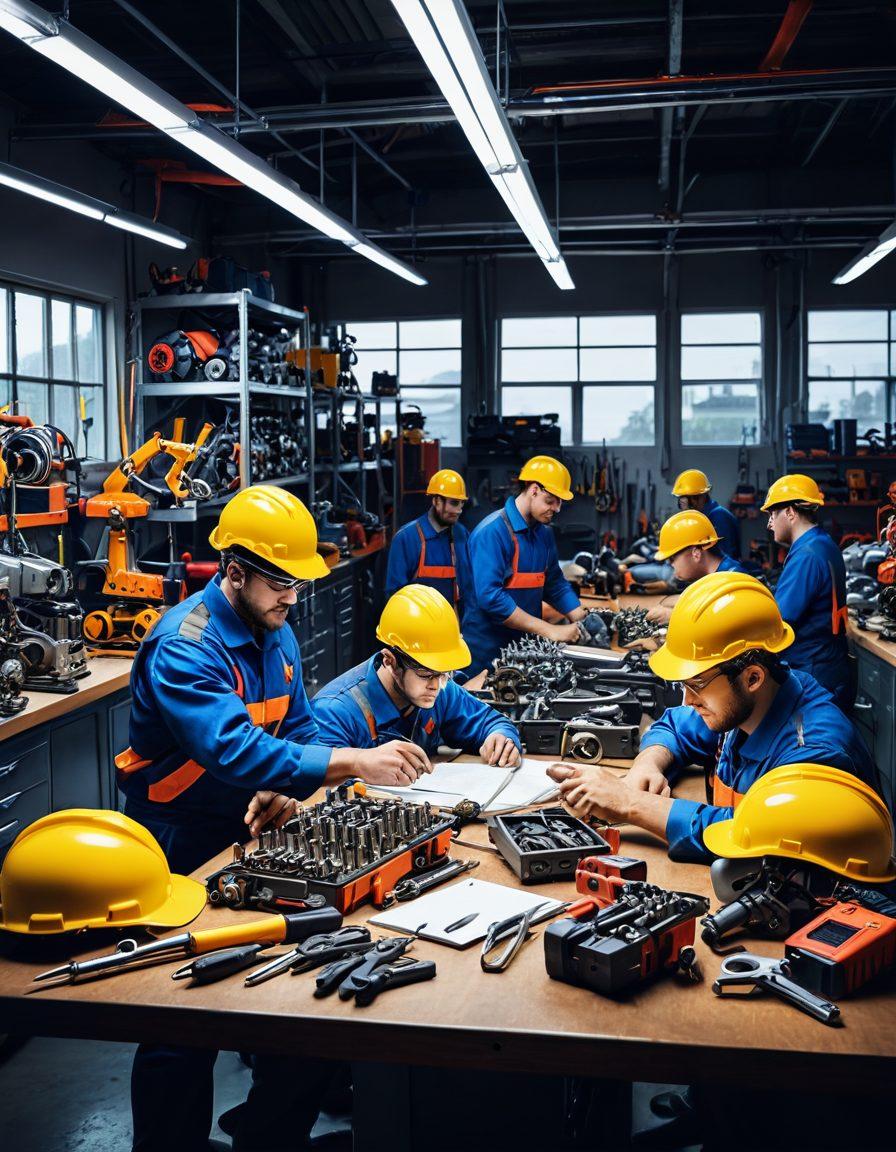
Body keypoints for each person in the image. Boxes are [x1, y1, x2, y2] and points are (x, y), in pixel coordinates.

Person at [117, 485, 430, 1152]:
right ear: (234, 573)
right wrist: (353, 763)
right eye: (280, 581)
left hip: (247, 829)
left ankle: (267, 1136)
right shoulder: (186, 647)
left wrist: (287, 791)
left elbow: (298, 728)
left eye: (297, 581)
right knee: (181, 1013)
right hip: (175, 841)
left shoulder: (276, 631)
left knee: (299, 996)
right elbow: (230, 748)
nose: (294, 596)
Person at [547, 571, 875, 864]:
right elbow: (675, 725)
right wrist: (648, 763)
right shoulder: (746, 704)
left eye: (697, 685)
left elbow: (753, 836)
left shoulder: (816, 753)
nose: (689, 699)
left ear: (752, 678)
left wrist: (629, 802)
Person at [313, 584, 521, 767]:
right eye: (425, 674)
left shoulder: (439, 688)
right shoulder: (334, 713)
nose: (437, 685)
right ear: (390, 662)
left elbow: (490, 721)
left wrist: (501, 738)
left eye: (444, 674)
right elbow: (323, 792)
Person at [462, 455, 586, 676]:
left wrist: (581, 617)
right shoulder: (492, 532)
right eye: (551, 500)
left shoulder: (544, 534)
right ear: (534, 489)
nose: (557, 509)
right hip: (485, 654)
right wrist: (550, 630)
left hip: (527, 650)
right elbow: (490, 597)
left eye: (560, 502)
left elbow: (554, 583)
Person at [762, 472, 853, 711]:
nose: (769, 523)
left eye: (773, 513)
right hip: (827, 667)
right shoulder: (822, 543)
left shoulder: (807, 557)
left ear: (791, 512)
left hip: (814, 674)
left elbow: (778, 621)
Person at [385, 469, 473, 618]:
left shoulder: (461, 534)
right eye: (454, 503)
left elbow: (469, 588)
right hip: (417, 630)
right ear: (437, 501)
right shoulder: (407, 538)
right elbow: (395, 597)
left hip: (453, 629)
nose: (459, 510)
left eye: (462, 503)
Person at [645, 509, 746, 625]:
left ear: (696, 553)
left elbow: (730, 623)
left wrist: (673, 616)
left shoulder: (733, 579)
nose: (671, 565)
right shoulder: (713, 577)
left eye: (672, 559)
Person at [671, 468, 741, 559]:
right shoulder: (702, 518)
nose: (682, 503)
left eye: (686, 498)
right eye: (680, 498)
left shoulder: (718, 517)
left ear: (702, 496)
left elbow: (724, 558)